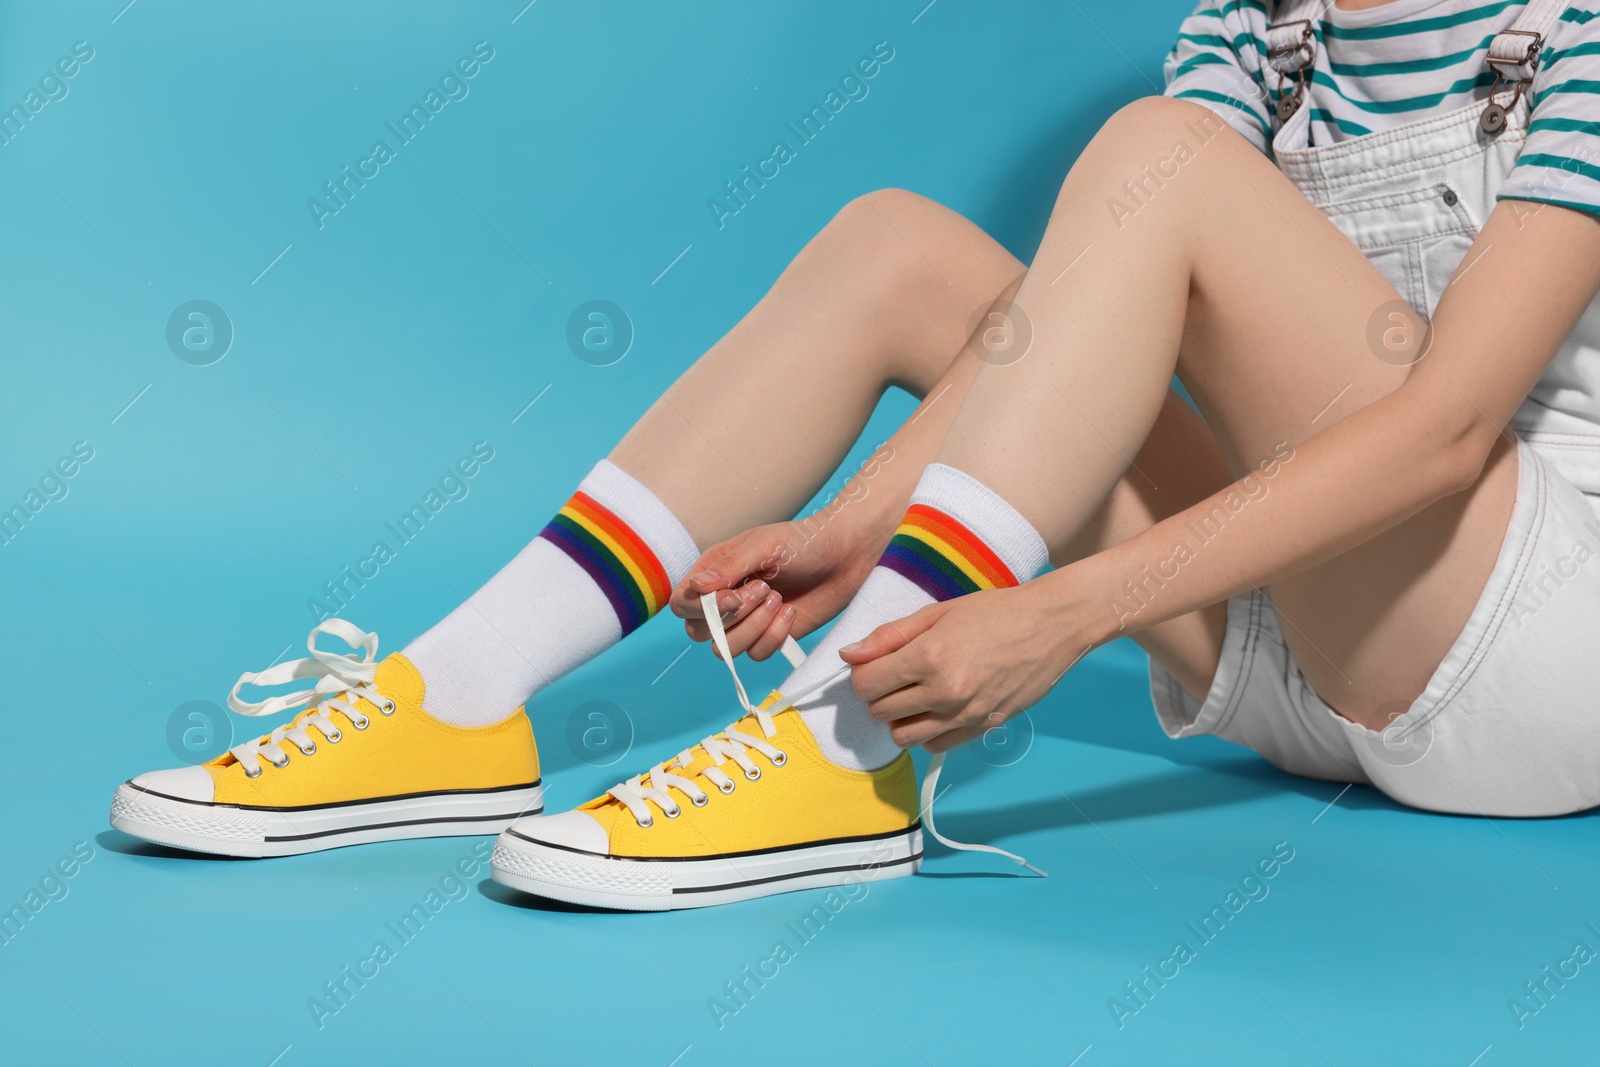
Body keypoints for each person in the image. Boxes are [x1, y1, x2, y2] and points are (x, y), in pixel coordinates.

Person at [112, 0, 1600, 910]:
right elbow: (1079, 317)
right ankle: (458, 697)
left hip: (1517, 649)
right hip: (1293, 654)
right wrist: (857, 525)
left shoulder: (1575, 27)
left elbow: (1446, 431)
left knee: (1164, 159)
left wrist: (1057, 613)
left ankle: (849, 740)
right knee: (905, 247)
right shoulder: (1252, 29)